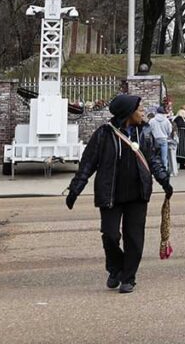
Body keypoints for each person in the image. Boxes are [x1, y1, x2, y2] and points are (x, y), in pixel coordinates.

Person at [66, 94, 173, 294]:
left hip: (137, 194)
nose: (143, 112)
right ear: (128, 113)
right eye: (139, 109)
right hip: (110, 194)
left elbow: (154, 160)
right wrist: (75, 189)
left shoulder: (145, 132)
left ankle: (128, 277)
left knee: (134, 238)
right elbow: (87, 164)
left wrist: (164, 181)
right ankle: (115, 268)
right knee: (110, 234)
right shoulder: (104, 134)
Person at [148, 106, 172, 174]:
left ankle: (154, 170)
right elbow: (169, 130)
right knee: (164, 156)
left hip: (155, 139)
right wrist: (166, 134)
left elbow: (149, 129)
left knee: (154, 156)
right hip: (164, 138)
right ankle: (164, 171)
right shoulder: (166, 120)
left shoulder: (152, 120)